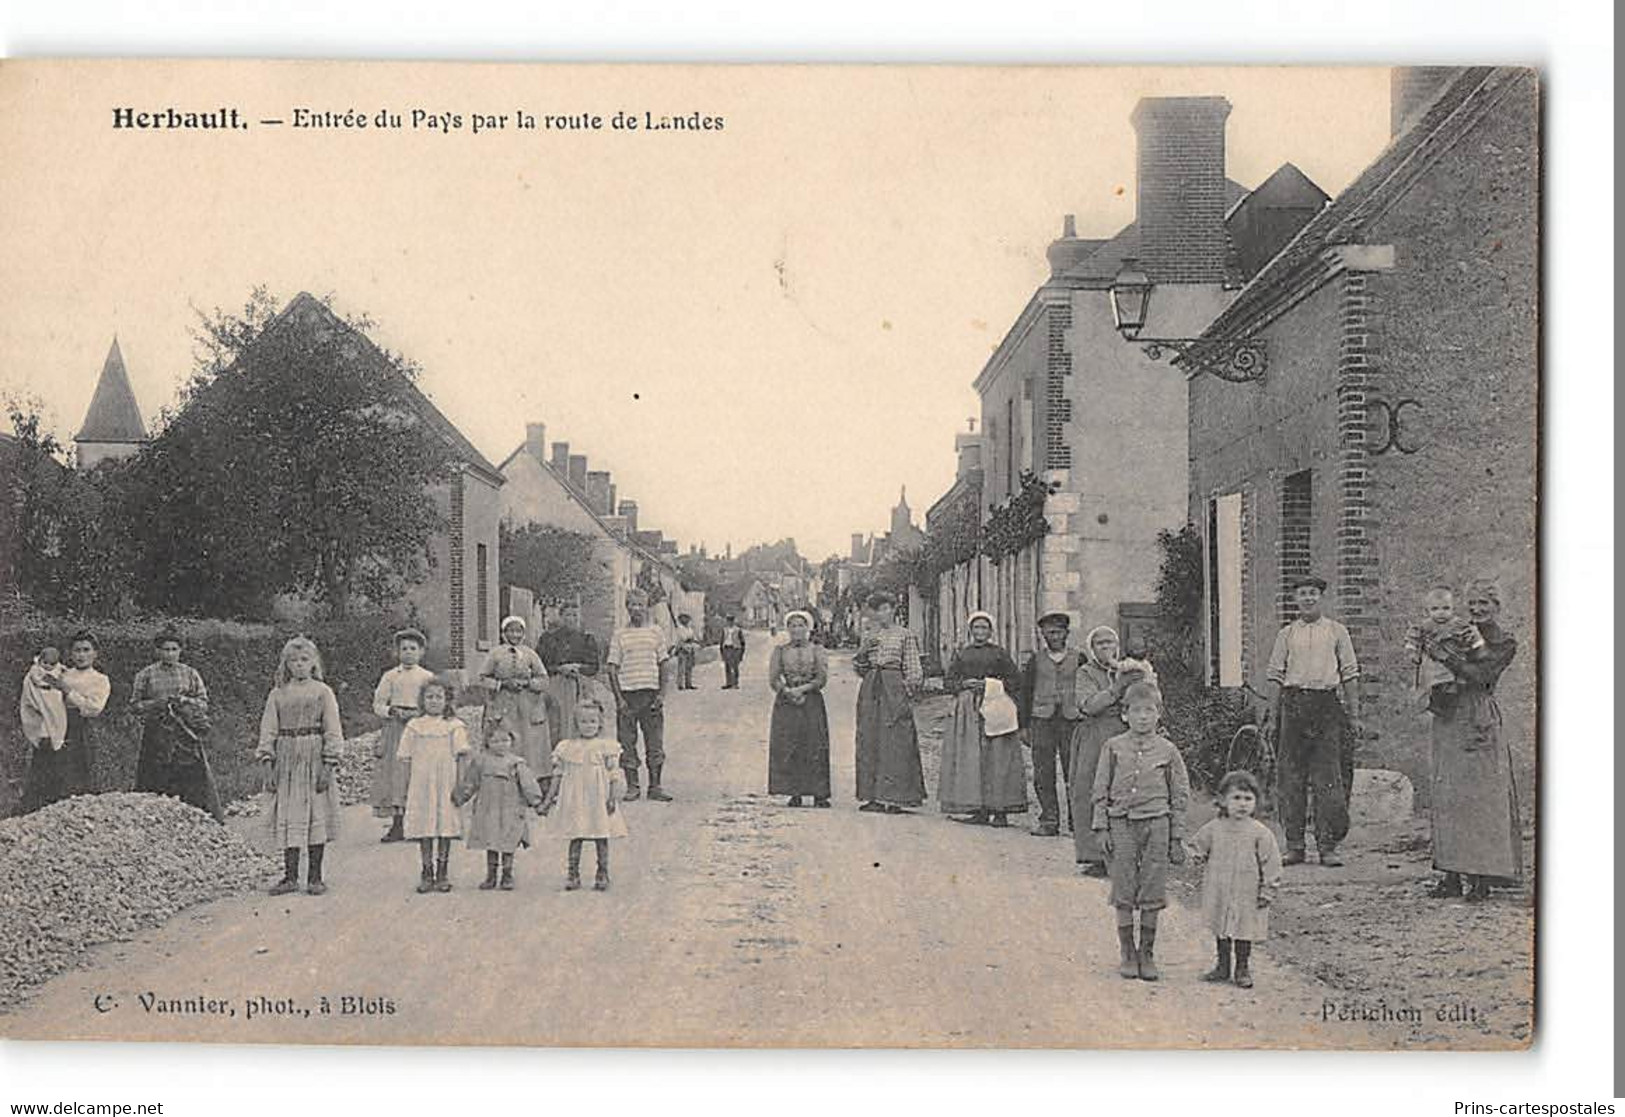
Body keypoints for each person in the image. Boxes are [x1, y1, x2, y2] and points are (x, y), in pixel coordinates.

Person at [1418, 578, 1522, 903]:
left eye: (1485, 604)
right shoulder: (1455, 629)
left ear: (1497, 608)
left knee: (1480, 799)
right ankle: (1450, 875)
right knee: (1448, 793)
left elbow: (1482, 676)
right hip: (1449, 715)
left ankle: (1480, 878)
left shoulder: (1505, 642)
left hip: (1478, 716)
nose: (1477, 609)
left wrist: (1444, 657)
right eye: (1473, 603)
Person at [1091, 681, 1190, 981]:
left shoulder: (1168, 751)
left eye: (1150, 711)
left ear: (1159, 714)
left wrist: (1176, 836)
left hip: (1157, 824)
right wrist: (1102, 826)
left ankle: (1147, 953)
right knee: (1123, 887)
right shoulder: (1113, 748)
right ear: (1125, 715)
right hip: (1121, 824)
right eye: (1137, 711)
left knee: (1151, 887)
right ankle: (1127, 952)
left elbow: (1180, 794)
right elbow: (1100, 789)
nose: (1143, 717)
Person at [1266, 575, 1360, 867]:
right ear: (1295, 599)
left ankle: (1327, 846)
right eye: (1302, 594)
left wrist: (1355, 714)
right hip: (1293, 706)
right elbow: (1275, 676)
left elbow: (1350, 673)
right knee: (1290, 778)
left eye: (1313, 593)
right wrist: (1273, 714)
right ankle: (1294, 845)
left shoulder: (1336, 631)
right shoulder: (1287, 634)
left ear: (1322, 597)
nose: (1308, 598)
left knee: (1328, 778)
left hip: (1326, 706)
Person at [256, 636, 344, 895]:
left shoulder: (323, 692)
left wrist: (329, 764)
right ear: (286, 664)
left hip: (314, 755)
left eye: (304, 660)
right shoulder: (278, 693)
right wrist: (267, 762)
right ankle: (290, 876)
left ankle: (315, 877)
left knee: (316, 813)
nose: (299, 665)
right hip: (286, 757)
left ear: (313, 662)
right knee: (288, 813)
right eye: (293, 661)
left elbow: (333, 729)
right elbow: (268, 729)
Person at [1068, 626, 1152, 876]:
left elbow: (1148, 699)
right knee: (1092, 790)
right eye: (1100, 644)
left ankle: (1128, 854)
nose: (1106, 648)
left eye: (1110, 643)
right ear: (1091, 649)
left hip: (1126, 735)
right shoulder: (1085, 672)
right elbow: (1089, 705)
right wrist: (1116, 689)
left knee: (1128, 791)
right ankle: (1095, 855)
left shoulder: (1131, 669)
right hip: (1095, 736)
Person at [1188, 769, 1283, 989]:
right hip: (1219, 888)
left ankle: (1242, 967)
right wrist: (1191, 856)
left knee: (1243, 928)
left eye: (1248, 799)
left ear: (1256, 802)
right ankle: (1222, 966)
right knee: (1221, 925)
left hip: (1246, 891)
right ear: (1222, 800)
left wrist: (1268, 890)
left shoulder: (1260, 833)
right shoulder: (1214, 828)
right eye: (1236, 798)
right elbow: (1197, 847)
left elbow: (1272, 863)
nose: (1242, 804)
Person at [939, 611, 1026, 827]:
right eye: (976, 628)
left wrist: (989, 684)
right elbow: (948, 682)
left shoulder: (999, 654)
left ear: (991, 631)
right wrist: (964, 685)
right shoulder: (962, 654)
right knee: (973, 758)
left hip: (996, 706)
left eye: (984, 628)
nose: (980, 632)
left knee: (997, 758)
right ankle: (978, 808)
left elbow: (1016, 680)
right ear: (970, 630)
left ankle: (1000, 810)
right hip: (968, 711)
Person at [131, 627, 223, 822]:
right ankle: (156, 818)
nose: (170, 654)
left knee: (190, 774)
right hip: (157, 732)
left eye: (174, 649)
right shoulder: (146, 675)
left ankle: (194, 816)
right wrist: (156, 703)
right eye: (165, 649)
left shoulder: (190, 673)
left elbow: (203, 702)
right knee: (156, 773)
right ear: (157, 651)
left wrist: (184, 702)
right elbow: (135, 705)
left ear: (180, 650)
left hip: (184, 731)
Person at [540, 694, 627, 891]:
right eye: (584, 721)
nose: (588, 725)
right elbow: (558, 774)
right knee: (575, 833)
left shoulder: (606, 746)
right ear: (576, 723)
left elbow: (614, 774)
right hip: (576, 797)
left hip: (598, 797)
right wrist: (548, 799)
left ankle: (602, 872)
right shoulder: (567, 747)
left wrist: (612, 797)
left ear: (599, 723)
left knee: (601, 833)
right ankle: (573, 873)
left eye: (593, 721)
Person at [398, 674, 473, 894]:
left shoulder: (454, 726)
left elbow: (462, 757)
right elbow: (405, 758)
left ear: (447, 700)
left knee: (444, 826)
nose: (434, 701)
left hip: (445, 783)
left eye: (439, 697)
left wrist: (460, 785)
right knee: (425, 827)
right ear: (421, 701)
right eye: (429, 697)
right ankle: (426, 871)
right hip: (422, 783)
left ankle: (443, 872)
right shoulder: (414, 726)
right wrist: (404, 787)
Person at [853, 592, 926, 814]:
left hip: (893, 687)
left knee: (896, 739)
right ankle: (873, 796)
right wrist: (865, 651)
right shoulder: (869, 635)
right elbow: (859, 667)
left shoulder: (905, 635)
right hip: (871, 688)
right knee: (870, 738)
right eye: (878, 610)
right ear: (873, 613)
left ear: (894, 610)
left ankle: (895, 798)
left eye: (887, 608)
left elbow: (913, 668)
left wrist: (908, 691)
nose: (883, 614)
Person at [21, 632, 110, 811]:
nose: (81, 655)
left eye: (86, 650)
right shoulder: (60, 672)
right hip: (53, 725)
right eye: (77, 650)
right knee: (46, 775)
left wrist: (68, 692)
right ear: (70, 653)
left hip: (79, 729)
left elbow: (94, 708)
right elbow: (38, 685)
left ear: (95, 653)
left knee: (75, 776)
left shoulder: (100, 680)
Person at [454, 725, 544, 891]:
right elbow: (471, 782)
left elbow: (528, 784)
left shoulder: (516, 763)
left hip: (510, 809)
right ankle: (491, 875)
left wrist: (537, 802)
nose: (500, 744)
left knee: (508, 841)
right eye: (495, 741)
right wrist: (461, 797)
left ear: (512, 742)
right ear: (487, 743)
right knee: (491, 841)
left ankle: (507, 875)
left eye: (505, 740)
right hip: (488, 809)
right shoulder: (481, 761)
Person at [1017, 613, 1082, 838]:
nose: (1053, 637)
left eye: (1057, 632)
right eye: (1048, 633)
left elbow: (1086, 689)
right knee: (1043, 771)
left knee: (1073, 771)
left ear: (1066, 633)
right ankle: (1049, 820)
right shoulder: (1035, 661)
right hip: (1041, 720)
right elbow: (1025, 693)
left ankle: (1077, 822)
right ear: (1043, 635)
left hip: (1071, 720)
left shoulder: (1079, 658)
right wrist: (1023, 725)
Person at [371, 627, 436, 843]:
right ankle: (397, 824)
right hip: (396, 729)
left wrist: (421, 713)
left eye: (413, 648)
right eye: (404, 649)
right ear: (397, 652)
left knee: (417, 773)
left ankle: (418, 823)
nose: (408, 652)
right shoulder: (391, 676)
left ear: (421, 652)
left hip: (420, 729)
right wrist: (392, 711)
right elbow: (378, 704)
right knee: (397, 774)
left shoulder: (427, 677)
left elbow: (437, 701)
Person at [607, 590, 673, 802]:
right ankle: (632, 786)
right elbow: (611, 668)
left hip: (651, 694)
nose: (636, 609)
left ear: (647, 607)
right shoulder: (619, 634)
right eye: (632, 605)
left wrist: (662, 694)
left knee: (654, 742)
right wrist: (619, 700)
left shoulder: (656, 632)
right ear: (626, 607)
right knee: (627, 742)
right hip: (628, 695)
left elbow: (664, 664)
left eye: (640, 605)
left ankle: (655, 786)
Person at [767, 610, 831, 808]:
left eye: (801, 625)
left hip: (811, 701)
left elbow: (821, 678)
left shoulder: (817, 650)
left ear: (808, 628)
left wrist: (802, 689)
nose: (797, 630)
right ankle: (794, 792)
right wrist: (787, 691)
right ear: (788, 629)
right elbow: (774, 678)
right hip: (786, 702)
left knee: (814, 744)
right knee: (790, 744)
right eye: (793, 626)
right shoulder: (780, 651)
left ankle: (819, 793)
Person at [478, 616, 551, 783]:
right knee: (505, 735)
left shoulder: (530, 654)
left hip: (527, 705)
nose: (515, 635)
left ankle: (529, 777)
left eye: (518, 631)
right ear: (503, 633)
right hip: (503, 703)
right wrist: (502, 684)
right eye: (510, 631)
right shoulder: (495, 653)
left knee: (527, 740)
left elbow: (544, 679)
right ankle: (502, 773)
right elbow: (482, 678)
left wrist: (528, 683)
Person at [537, 601, 603, 746]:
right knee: (556, 722)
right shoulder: (548, 639)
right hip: (556, 686)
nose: (571, 619)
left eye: (575, 615)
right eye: (568, 615)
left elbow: (594, 667)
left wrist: (578, 667)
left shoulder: (586, 639)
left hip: (580, 687)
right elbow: (540, 665)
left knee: (580, 721)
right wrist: (559, 668)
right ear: (561, 617)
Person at [1405, 585, 1485, 697]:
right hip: (1433, 664)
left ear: (1453, 609)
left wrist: (1478, 647)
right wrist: (1412, 653)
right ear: (1427, 611)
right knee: (1430, 686)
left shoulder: (1458, 624)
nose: (1440, 612)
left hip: (1453, 662)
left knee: (1456, 689)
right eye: (1435, 609)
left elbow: (1473, 637)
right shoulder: (1424, 626)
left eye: (1446, 608)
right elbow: (1413, 639)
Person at [719, 614, 747, 689]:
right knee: (727, 666)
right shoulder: (724, 629)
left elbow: (742, 641)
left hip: (735, 649)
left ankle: (735, 683)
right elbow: (721, 640)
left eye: (731, 621)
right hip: (727, 648)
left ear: (733, 621)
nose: (729, 622)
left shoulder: (738, 630)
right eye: (728, 621)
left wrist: (741, 652)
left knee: (735, 666)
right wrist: (722, 650)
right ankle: (728, 683)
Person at [673, 613, 699, 690]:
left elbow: (693, 637)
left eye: (687, 619)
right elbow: (681, 639)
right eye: (684, 619)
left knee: (689, 667)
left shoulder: (690, 629)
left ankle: (688, 683)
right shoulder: (679, 629)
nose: (686, 620)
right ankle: (680, 684)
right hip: (682, 649)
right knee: (681, 668)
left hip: (690, 648)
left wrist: (693, 642)